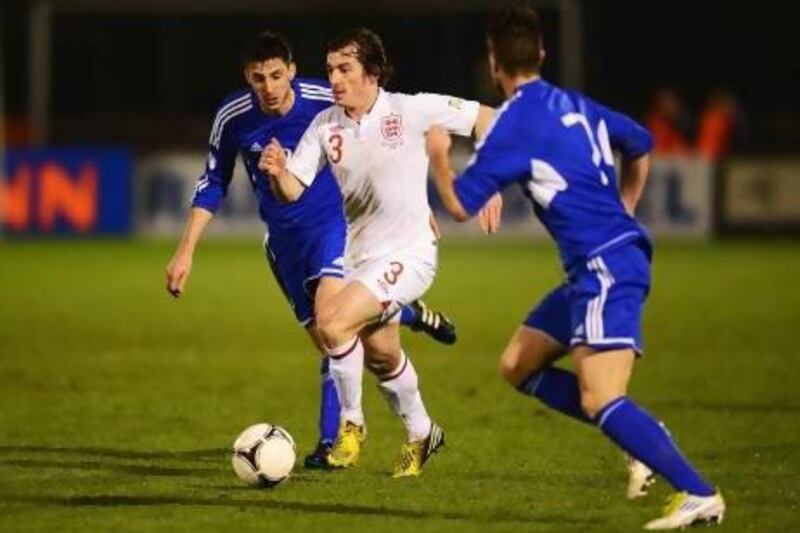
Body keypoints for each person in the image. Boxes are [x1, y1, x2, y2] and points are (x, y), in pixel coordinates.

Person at [425, 5, 725, 529]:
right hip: (597, 266)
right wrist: (626, 209)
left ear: (494, 63)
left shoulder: (511, 127)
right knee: (518, 364)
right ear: (541, 54)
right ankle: (635, 432)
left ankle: (698, 492)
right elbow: (642, 143)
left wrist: (437, 156)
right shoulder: (575, 104)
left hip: (605, 269)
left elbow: (458, 206)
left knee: (600, 395)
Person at [165, 30, 457, 470]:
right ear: (247, 76)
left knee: (333, 326)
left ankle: (335, 441)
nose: (269, 87)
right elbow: (214, 182)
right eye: (258, 78)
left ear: (293, 71)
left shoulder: (327, 97)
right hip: (283, 243)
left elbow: (391, 127)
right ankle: (407, 312)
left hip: (336, 230)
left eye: (277, 75)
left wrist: (414, 208)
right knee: (338, 342)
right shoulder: (234, 116)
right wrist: (185, 251)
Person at [261, 28, 495, 477]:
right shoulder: (326, 125)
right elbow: (292, 188)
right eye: (330, 69)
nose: (334, 78)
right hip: (360, 258)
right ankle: (423, 432)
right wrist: (276, 171)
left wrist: (490, 182)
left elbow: (486, 118)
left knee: (331, 323)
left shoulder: (410, 109)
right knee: (382, 356)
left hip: (411, 253)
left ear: (372, 73)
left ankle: (352, 426)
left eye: (345, 69)